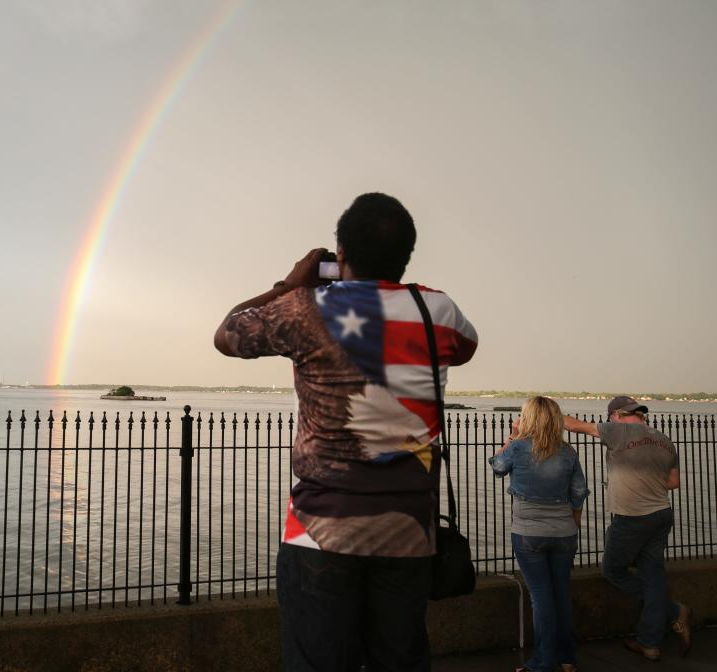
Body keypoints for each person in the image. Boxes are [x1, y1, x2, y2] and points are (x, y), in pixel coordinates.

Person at [213, 192, 478, 671]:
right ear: (406, 255)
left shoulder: (303, 307)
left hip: (320, 534)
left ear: (341, 253)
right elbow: (466, 349)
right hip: (409, 534)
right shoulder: (436, 310)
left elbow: (227, 334)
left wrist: (287, 284)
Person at [564, 395, 692, 660]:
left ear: (616, 415)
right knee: (653, 575)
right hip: (661, 514)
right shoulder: (663, 439)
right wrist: (646, 481)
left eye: (610, 418)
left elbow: (575, 426)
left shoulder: (618, 430)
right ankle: (649, 643)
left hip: (632, 517)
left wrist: (543, 412)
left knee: (612, 569)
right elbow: (673, 482)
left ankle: (671, 611)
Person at [489, 396, 589, 672]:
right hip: (564, 533)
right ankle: (567, 658)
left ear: (529, 418)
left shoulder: (519, 448)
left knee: (541, 597)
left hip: (529, 533)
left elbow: (497, 466)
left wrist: (512, 435)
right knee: (560, 594)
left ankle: (543, 662)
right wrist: (574, 524)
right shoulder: (568, 452)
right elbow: (579, 491)